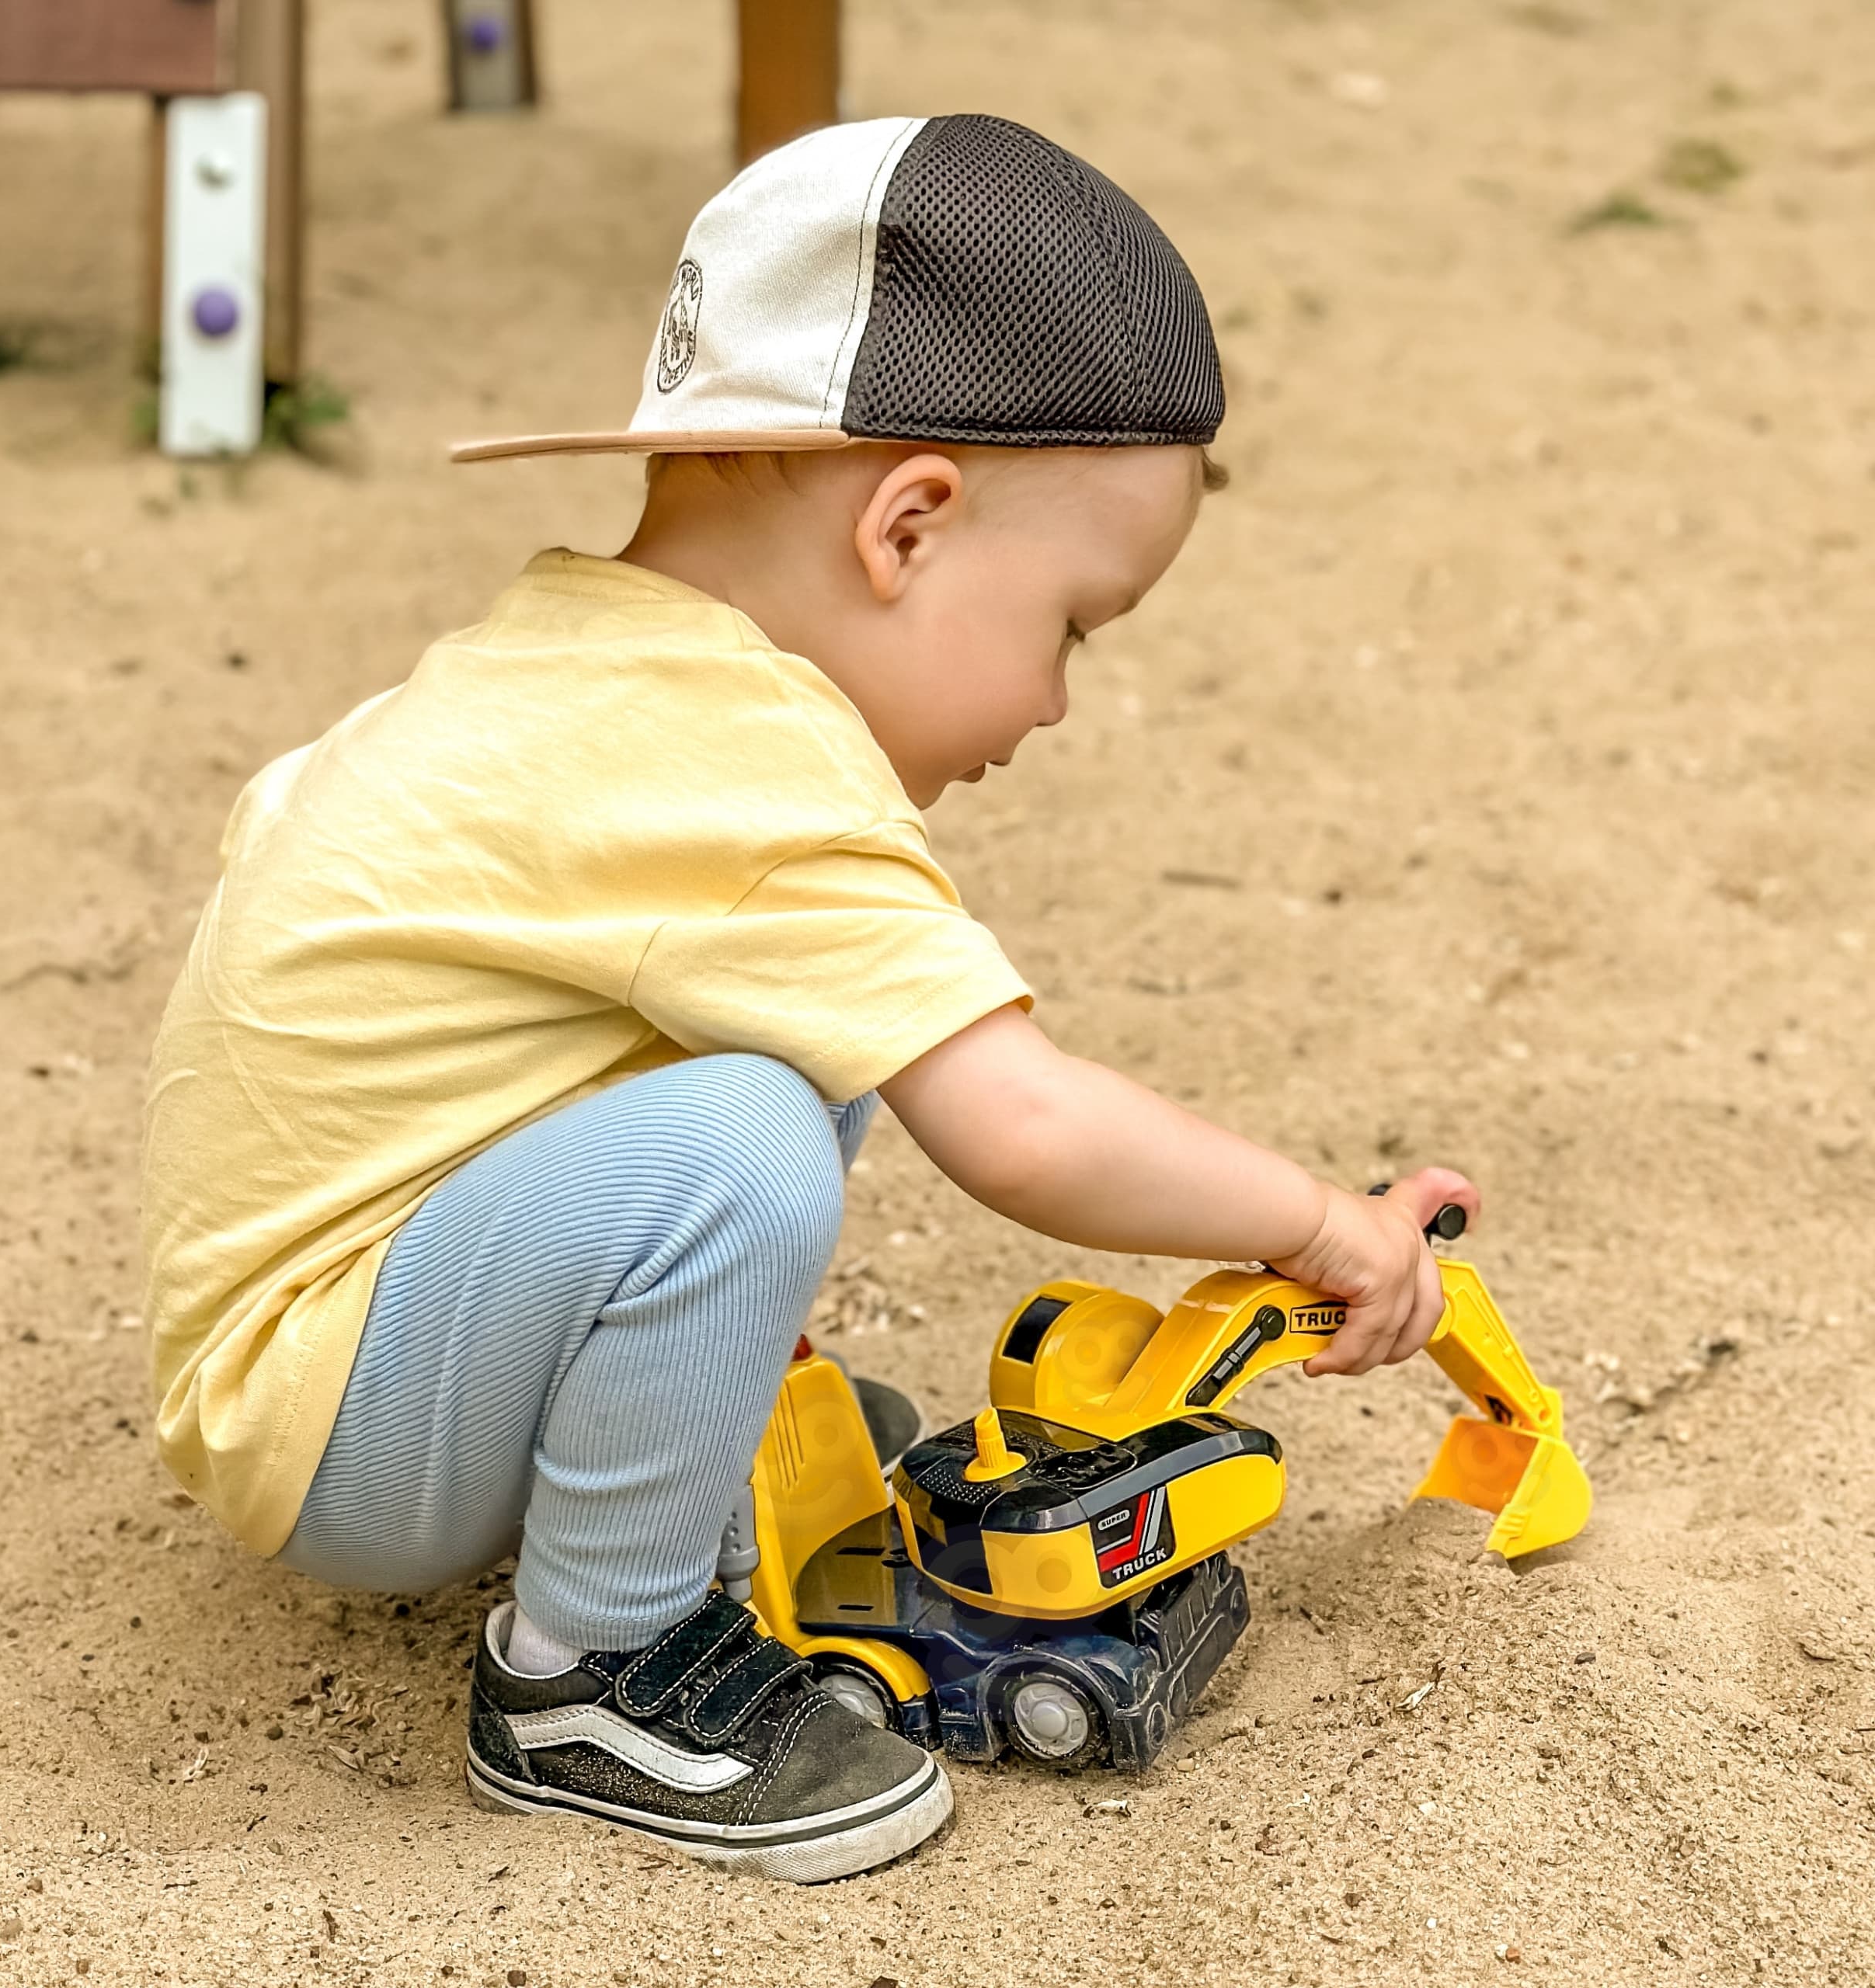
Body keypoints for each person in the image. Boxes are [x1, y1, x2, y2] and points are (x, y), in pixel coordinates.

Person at [141, 113, 1476, 1885]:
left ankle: (651, 1434)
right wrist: (1324, 1222)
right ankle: (588, 1677)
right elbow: (1022, 1119)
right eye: (1073, 623)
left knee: (777, 1039)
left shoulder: (565, 666)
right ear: (906, 525)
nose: (1060, 702)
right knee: (747, 1133)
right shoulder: (738, 768)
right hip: (335, 1425)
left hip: (328, 1336)